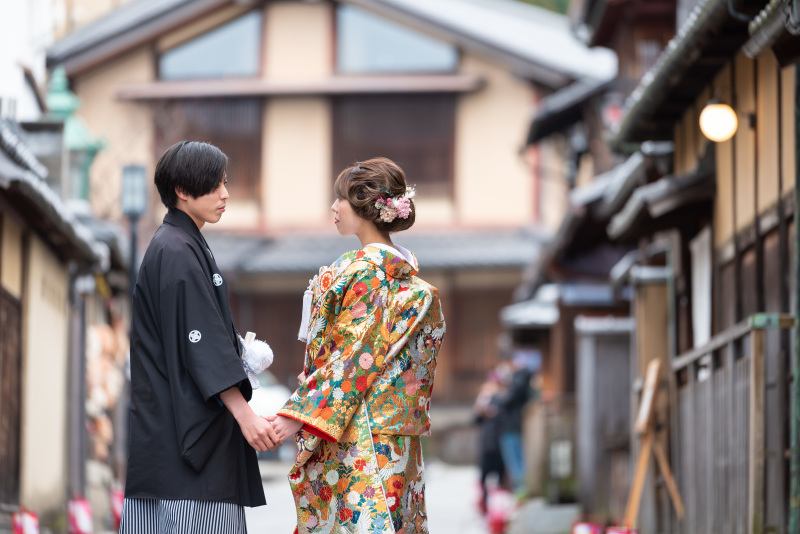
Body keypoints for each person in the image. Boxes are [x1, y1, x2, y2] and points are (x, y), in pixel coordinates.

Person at [270, 158, 446, 533]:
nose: (334, 208)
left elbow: (351, 356)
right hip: (393, 433)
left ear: (366, 207)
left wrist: (296, 415)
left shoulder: (365, 269)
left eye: (341, 200)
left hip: (360, 430)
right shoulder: (406, 276)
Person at [120, 141, 279, 533]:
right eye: (214, 186)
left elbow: (200, 333)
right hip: (186, 444)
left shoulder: (178, 243)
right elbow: (201, 342)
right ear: (182, 192)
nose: (225, 194)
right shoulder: (176, 249)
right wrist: (245, 416)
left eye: (225, 183)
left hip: (168, 434)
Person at [473, 370, 507, 514]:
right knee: (484, 478)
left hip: (500, 444)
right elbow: (474, 420)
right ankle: (485, 507)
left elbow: (504, 418)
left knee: (501, 479)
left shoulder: (502, 399)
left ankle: (500, 511)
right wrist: (481, 408)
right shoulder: (484, 399)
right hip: (487, 444)